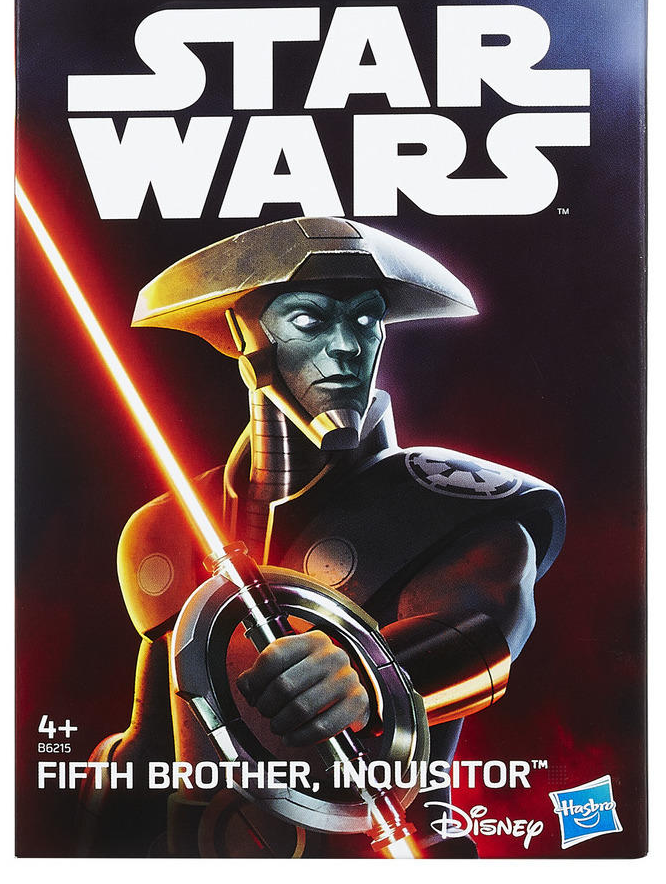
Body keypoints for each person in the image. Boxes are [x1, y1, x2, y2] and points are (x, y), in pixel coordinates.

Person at [86, 216, 564, 857]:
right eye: (309, 320)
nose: (347, 345)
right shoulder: (166, 529)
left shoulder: (454, 506)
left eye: (366, 319)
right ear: (245, 337)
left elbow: (479, 629)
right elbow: (151, 748)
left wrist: (368, 673)